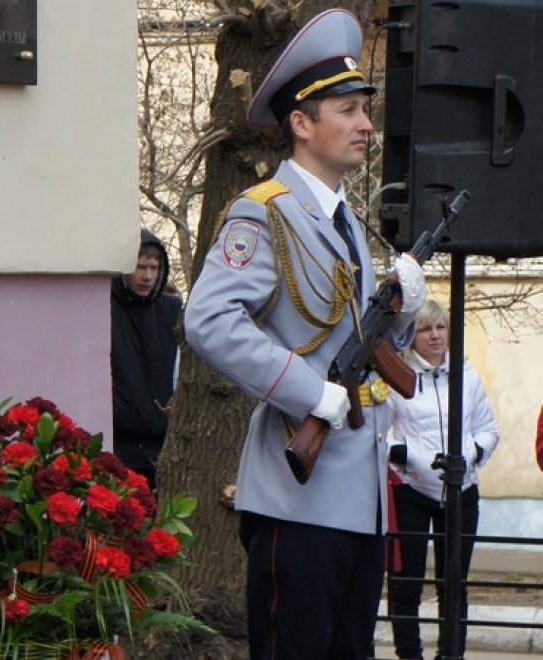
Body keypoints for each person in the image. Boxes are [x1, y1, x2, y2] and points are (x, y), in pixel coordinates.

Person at [183, 9, 427, 660]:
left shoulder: (350, 224)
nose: (366, 124)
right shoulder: (262, 212)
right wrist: (307, 393)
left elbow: (357, 343)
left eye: (363, 110)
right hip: (298, 498)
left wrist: (399, 317)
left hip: (360, 497)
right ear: (301, 123)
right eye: (348, 110)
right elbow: (208, 319)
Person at [386, 299, 499, 660]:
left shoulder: (467, 378)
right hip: (411, 493)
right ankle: (411, 656)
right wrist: (409, 457)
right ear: (411, 336)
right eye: (424, 328)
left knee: (454, 587)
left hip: (461, 492)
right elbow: (380, 434)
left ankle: (451, 655)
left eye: (440, 328)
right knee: (406, 588)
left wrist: (471, 455)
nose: (434, 336)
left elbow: (488, 430)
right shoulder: (396, 378)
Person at [110, 228, 182, 490]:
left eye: (154, 267)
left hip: (164, 446)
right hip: (121, 447)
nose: (147, 276)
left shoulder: (172, 310)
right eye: (140, 267)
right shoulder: (105, 308)